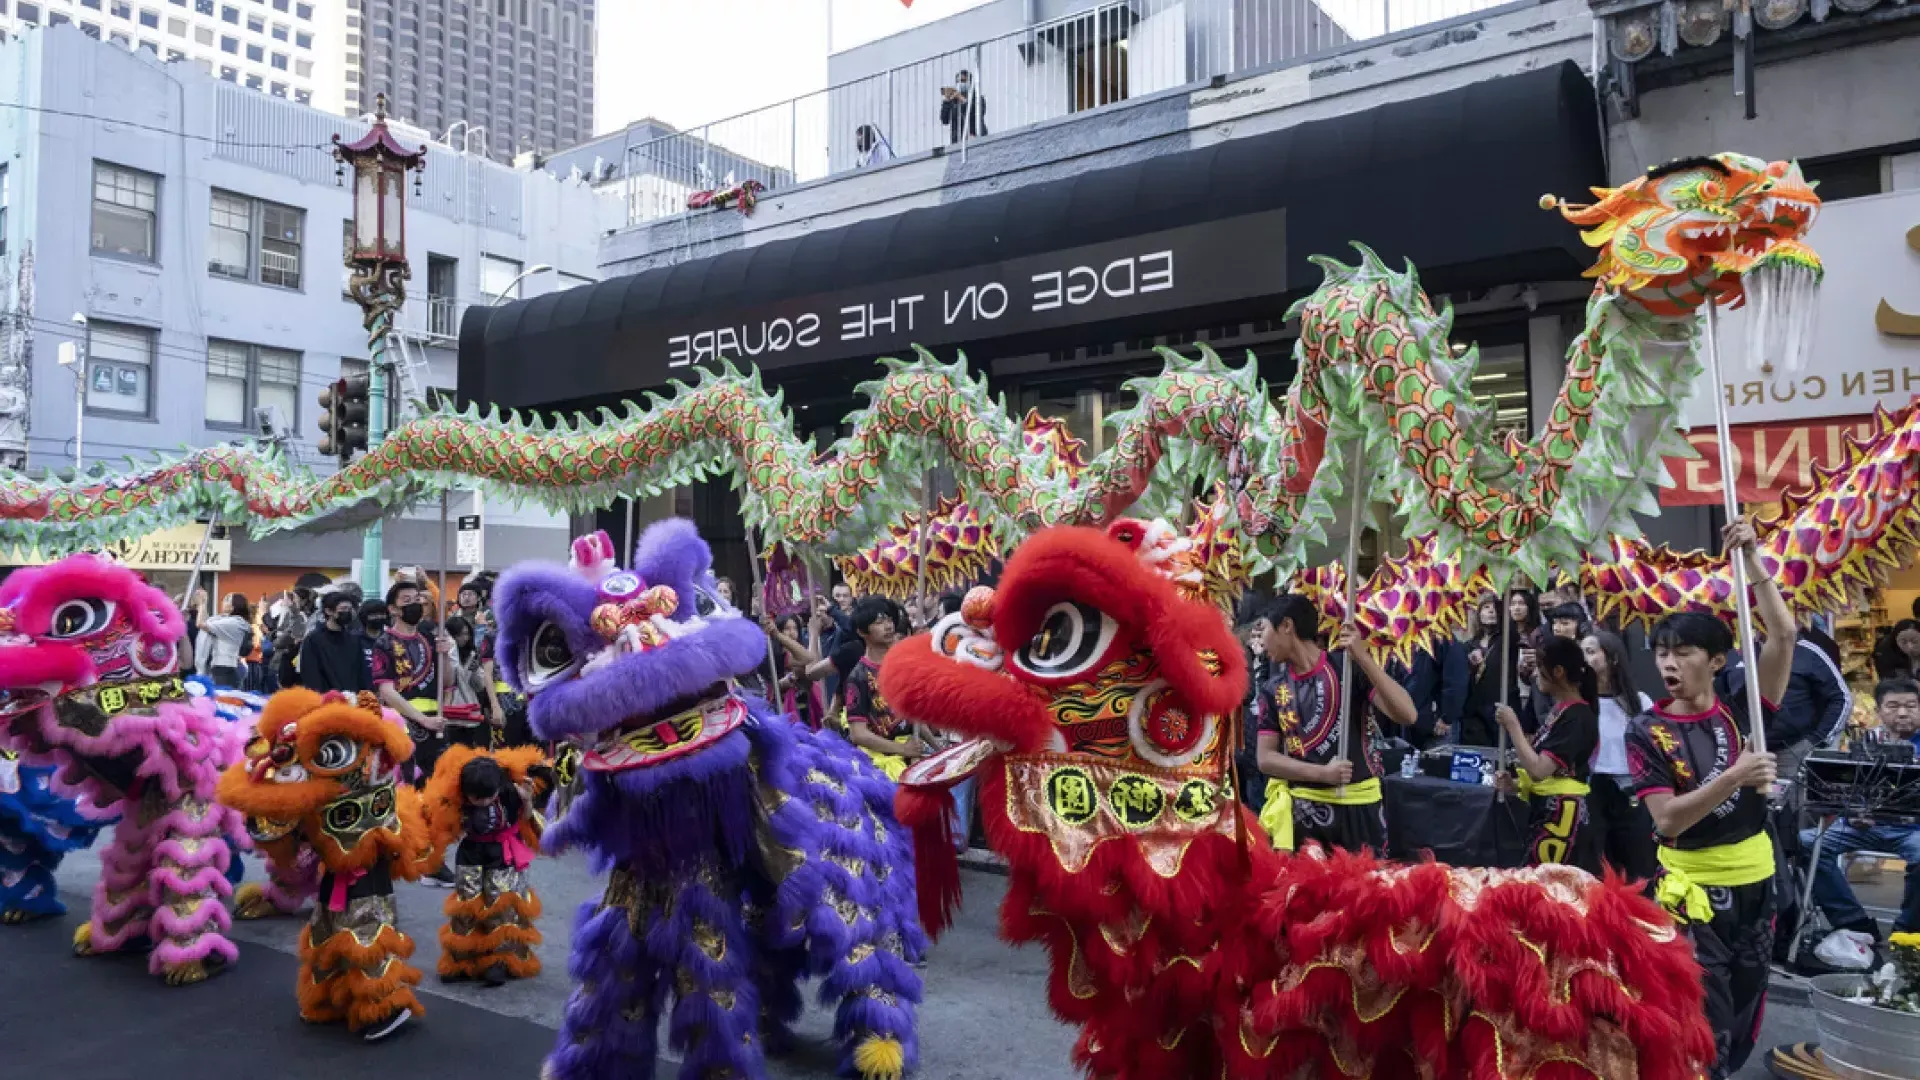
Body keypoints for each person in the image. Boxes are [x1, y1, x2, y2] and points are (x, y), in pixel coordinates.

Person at [1626, 516, 1793, 1079]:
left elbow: (1784, 636)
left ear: (1717, 660)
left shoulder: (1744, 709)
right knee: (1706, 1021)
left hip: (1757, 885)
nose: (1669, 663)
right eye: (1661, 653)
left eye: (1684, 652)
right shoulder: (1644, 731)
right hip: (1691, 895)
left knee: (1746, 1012)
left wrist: (1752, 561)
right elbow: (1668, 821)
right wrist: (1734, 777)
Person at [1253, 594, 1417, 854]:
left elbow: (1407, 714)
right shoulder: (1273, 689)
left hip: (1360, 810)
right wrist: (1323, 774)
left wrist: (1363, 658)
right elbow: (1266, 759)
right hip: (1306, 813)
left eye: (1264, 629)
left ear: (1286, 626)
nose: (1261, 640)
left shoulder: (1347, 668)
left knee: (1362, 892)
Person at [1797, 678, 1920, 945]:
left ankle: (1908, 930)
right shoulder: (1867, 740)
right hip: (1864, 826)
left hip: (1914, 831)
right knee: (1806, 843)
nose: (1902, 712)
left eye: (1911, 706)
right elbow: (1847, 787)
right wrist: (1852, 813)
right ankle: (1853, 922)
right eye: (1893, 706)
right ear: (1879, 711)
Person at [370, 581, 458, 880]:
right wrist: (421, 719)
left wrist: (445, 654)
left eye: (418, 599)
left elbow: (446, 681)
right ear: (393, 608)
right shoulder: (384, 642)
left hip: (435, 721)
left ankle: (431, 857)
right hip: (405, 722)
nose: (415, 605)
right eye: (406, 600)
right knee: (408, 792)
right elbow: (386, 691)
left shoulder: (429, 639)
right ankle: (411, 854)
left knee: (436, 792)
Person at [1496, 637, 1601, 874]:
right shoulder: (1561, 711)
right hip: (1546, 811)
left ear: (1558, 672)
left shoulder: (1578, 716)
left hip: (1562, 816)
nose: (1534, 676)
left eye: (1539, 669)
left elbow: (1540, 769)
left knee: (1545, 885)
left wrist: (1513, 726)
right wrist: (1514, 784)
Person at [1722, 621, 1852, 781]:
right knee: (1750, 804)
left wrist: (1816, 740)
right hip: (1746, 755)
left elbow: (1841, 697)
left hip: (1793, 752)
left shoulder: (1809, 652)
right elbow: (1719, 698)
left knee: (1792, 803)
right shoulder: (1737, 653)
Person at [1582, 629, 1658, 880]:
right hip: (1592, 788)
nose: (1584, 659)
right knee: (1597, 866)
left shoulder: (1640, 703)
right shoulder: (1579, 705)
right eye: (1581, 652)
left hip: (1632, 790)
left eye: (1591, 652)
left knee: (1637, 866)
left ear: (1613, 658)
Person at [841, 596, 930, 780]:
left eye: (889, 619)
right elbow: (859, 734)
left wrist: (938, 748)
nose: (888, 626)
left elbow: (912, 717)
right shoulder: (858, 677)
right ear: (862, 631)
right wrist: (902, 749)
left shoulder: (901, 667)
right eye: (879, 622)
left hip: (910, 755)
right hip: (879, 767)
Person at [1462, 593, 1522, 747]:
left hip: (1502, 705)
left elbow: (1510, 624)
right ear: (1479, 613)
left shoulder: (1508, 638)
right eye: (1486, 607)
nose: (1491, 611)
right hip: (1476, 709)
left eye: (1495, 608)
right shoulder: (1470, 644)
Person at [1385, 638, 1468, 750]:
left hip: (1438, 728)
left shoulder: (1446, 641)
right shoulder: (1409, 641)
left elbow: (1456, 683)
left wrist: (1446, 718)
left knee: (1437, 765)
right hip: (1413, 725)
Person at [441, 615, 505, 750]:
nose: (465, 638)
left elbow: (480, 685)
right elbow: (450, 677)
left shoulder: (471, 654)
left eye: (467, 634)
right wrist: (451, 647)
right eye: (460, 635)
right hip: (450, 711)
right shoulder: (444, 655)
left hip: (470, 712)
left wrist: (476, 670)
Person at [299, 590, 374, 694]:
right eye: (343, 609)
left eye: (349, 609)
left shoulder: (354, 639)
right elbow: (311, 674)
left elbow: (360, 672)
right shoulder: (313, 640)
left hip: (353, 699)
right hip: (326, 700)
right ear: (329, 611)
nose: (347, 612)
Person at [194, 592, 254, 688]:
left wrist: (201, 604)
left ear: (232, 607)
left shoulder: (234, 623)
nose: (222, 601)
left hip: (225, 669)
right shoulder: (227, 621)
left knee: (224, 700)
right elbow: (207, 622)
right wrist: (204, 602)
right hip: (223, 668)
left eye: (227, 600)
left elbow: (200, 624)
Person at [939, 69, 985, 145]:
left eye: (963, 81)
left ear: (970, 83)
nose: (960, 83)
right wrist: (947, 101)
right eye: (958, 81)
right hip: (957, 140)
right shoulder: (953, 101)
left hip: (975, 137)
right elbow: (945, 120)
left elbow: (979, 112)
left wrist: (962, 99)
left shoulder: (978, 98)